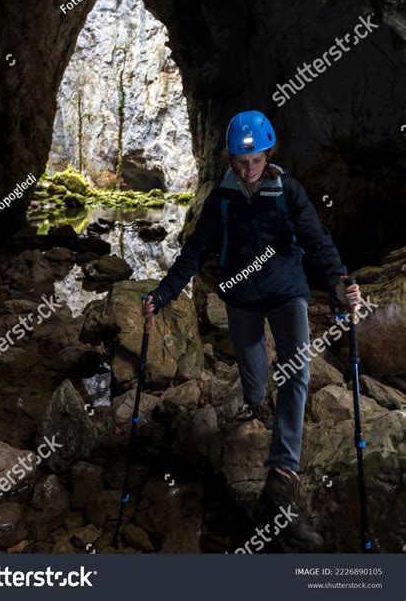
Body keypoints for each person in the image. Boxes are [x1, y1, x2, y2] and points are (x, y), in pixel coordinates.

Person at [143, 109, 362, 552]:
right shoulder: (222, 199)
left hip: (287, 291)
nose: (249, 170)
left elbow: (317, 240)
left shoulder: (290, 193)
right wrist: (162, 294)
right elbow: (195, 250)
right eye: (242, 163)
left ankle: (282, 474)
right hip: (241, 296)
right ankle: (255, 404)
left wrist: (340, 284)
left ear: (268, 154)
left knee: (296, 371)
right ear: (230, 159)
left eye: (257, 161)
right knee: (254, 376)